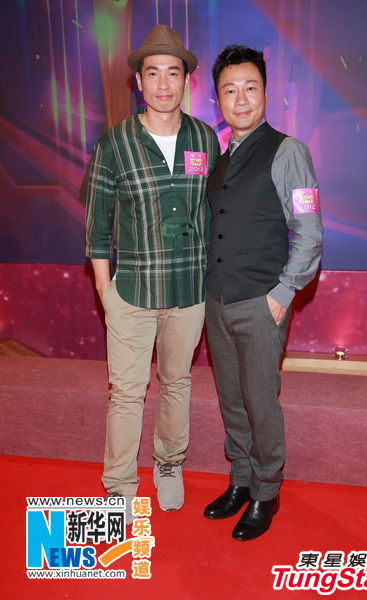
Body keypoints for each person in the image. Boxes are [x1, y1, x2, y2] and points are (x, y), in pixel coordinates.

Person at [85, 25, 219, 522]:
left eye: (173, 73)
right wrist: (106, 289)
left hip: (189, 290)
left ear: (186, 80)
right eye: (154, 73)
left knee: (177, 382)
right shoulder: (116, 143)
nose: (164, 84)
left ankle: (169, 463)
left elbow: (214, 213)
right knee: (126, 393)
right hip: (132, 292)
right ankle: (120, 483)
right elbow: (97, 226)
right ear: (139, 81)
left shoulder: (204, 138)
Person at [204, 45, 323, 540]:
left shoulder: (289, 151)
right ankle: (240, 478)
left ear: (266, 94)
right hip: (217, 301)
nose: (241, 99)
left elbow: (309, 232)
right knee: (231, 400)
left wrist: (283, 293)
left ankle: (266, 491)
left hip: (261, 302)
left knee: (260, 401)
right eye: (229, 90)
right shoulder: (217, 157)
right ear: (218, 100)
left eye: (250, 88)